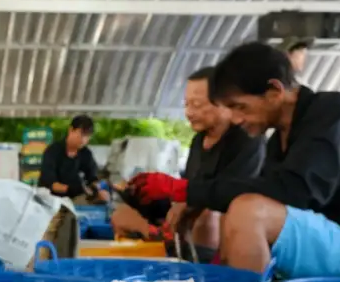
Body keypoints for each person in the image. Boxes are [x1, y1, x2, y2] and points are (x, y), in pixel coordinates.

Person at [130, 41, 340, 279]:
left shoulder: (334, 111)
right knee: (240, 207)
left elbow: (298, 191)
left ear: (275, 91)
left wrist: (186, 190)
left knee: (248, 211)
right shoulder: (280, 139)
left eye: (240, 106)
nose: (235, 119)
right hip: (331, 241)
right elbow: (266, 192)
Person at [112, 67, 264, 256]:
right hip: (188, 219)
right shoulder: (198, 141)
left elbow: (231, 194)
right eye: (187, 104)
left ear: (225, 104)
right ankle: (161, 241)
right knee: (121, 214)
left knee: (209, 216)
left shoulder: (247, 139)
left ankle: (206, 266)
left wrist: (185, 200)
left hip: (225, 225)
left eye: (197, 105)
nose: (189, 112)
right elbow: (190, 185)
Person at [38, 115, 104, 202]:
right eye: (81, 134)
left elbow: (93, 177)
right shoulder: (52, 151)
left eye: (87, 136)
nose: (83, 139)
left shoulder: (86, 154)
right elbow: (52, 184)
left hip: (77, 200)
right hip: (51, 200)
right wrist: (75, 189)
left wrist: (97, 189)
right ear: (71, 130)